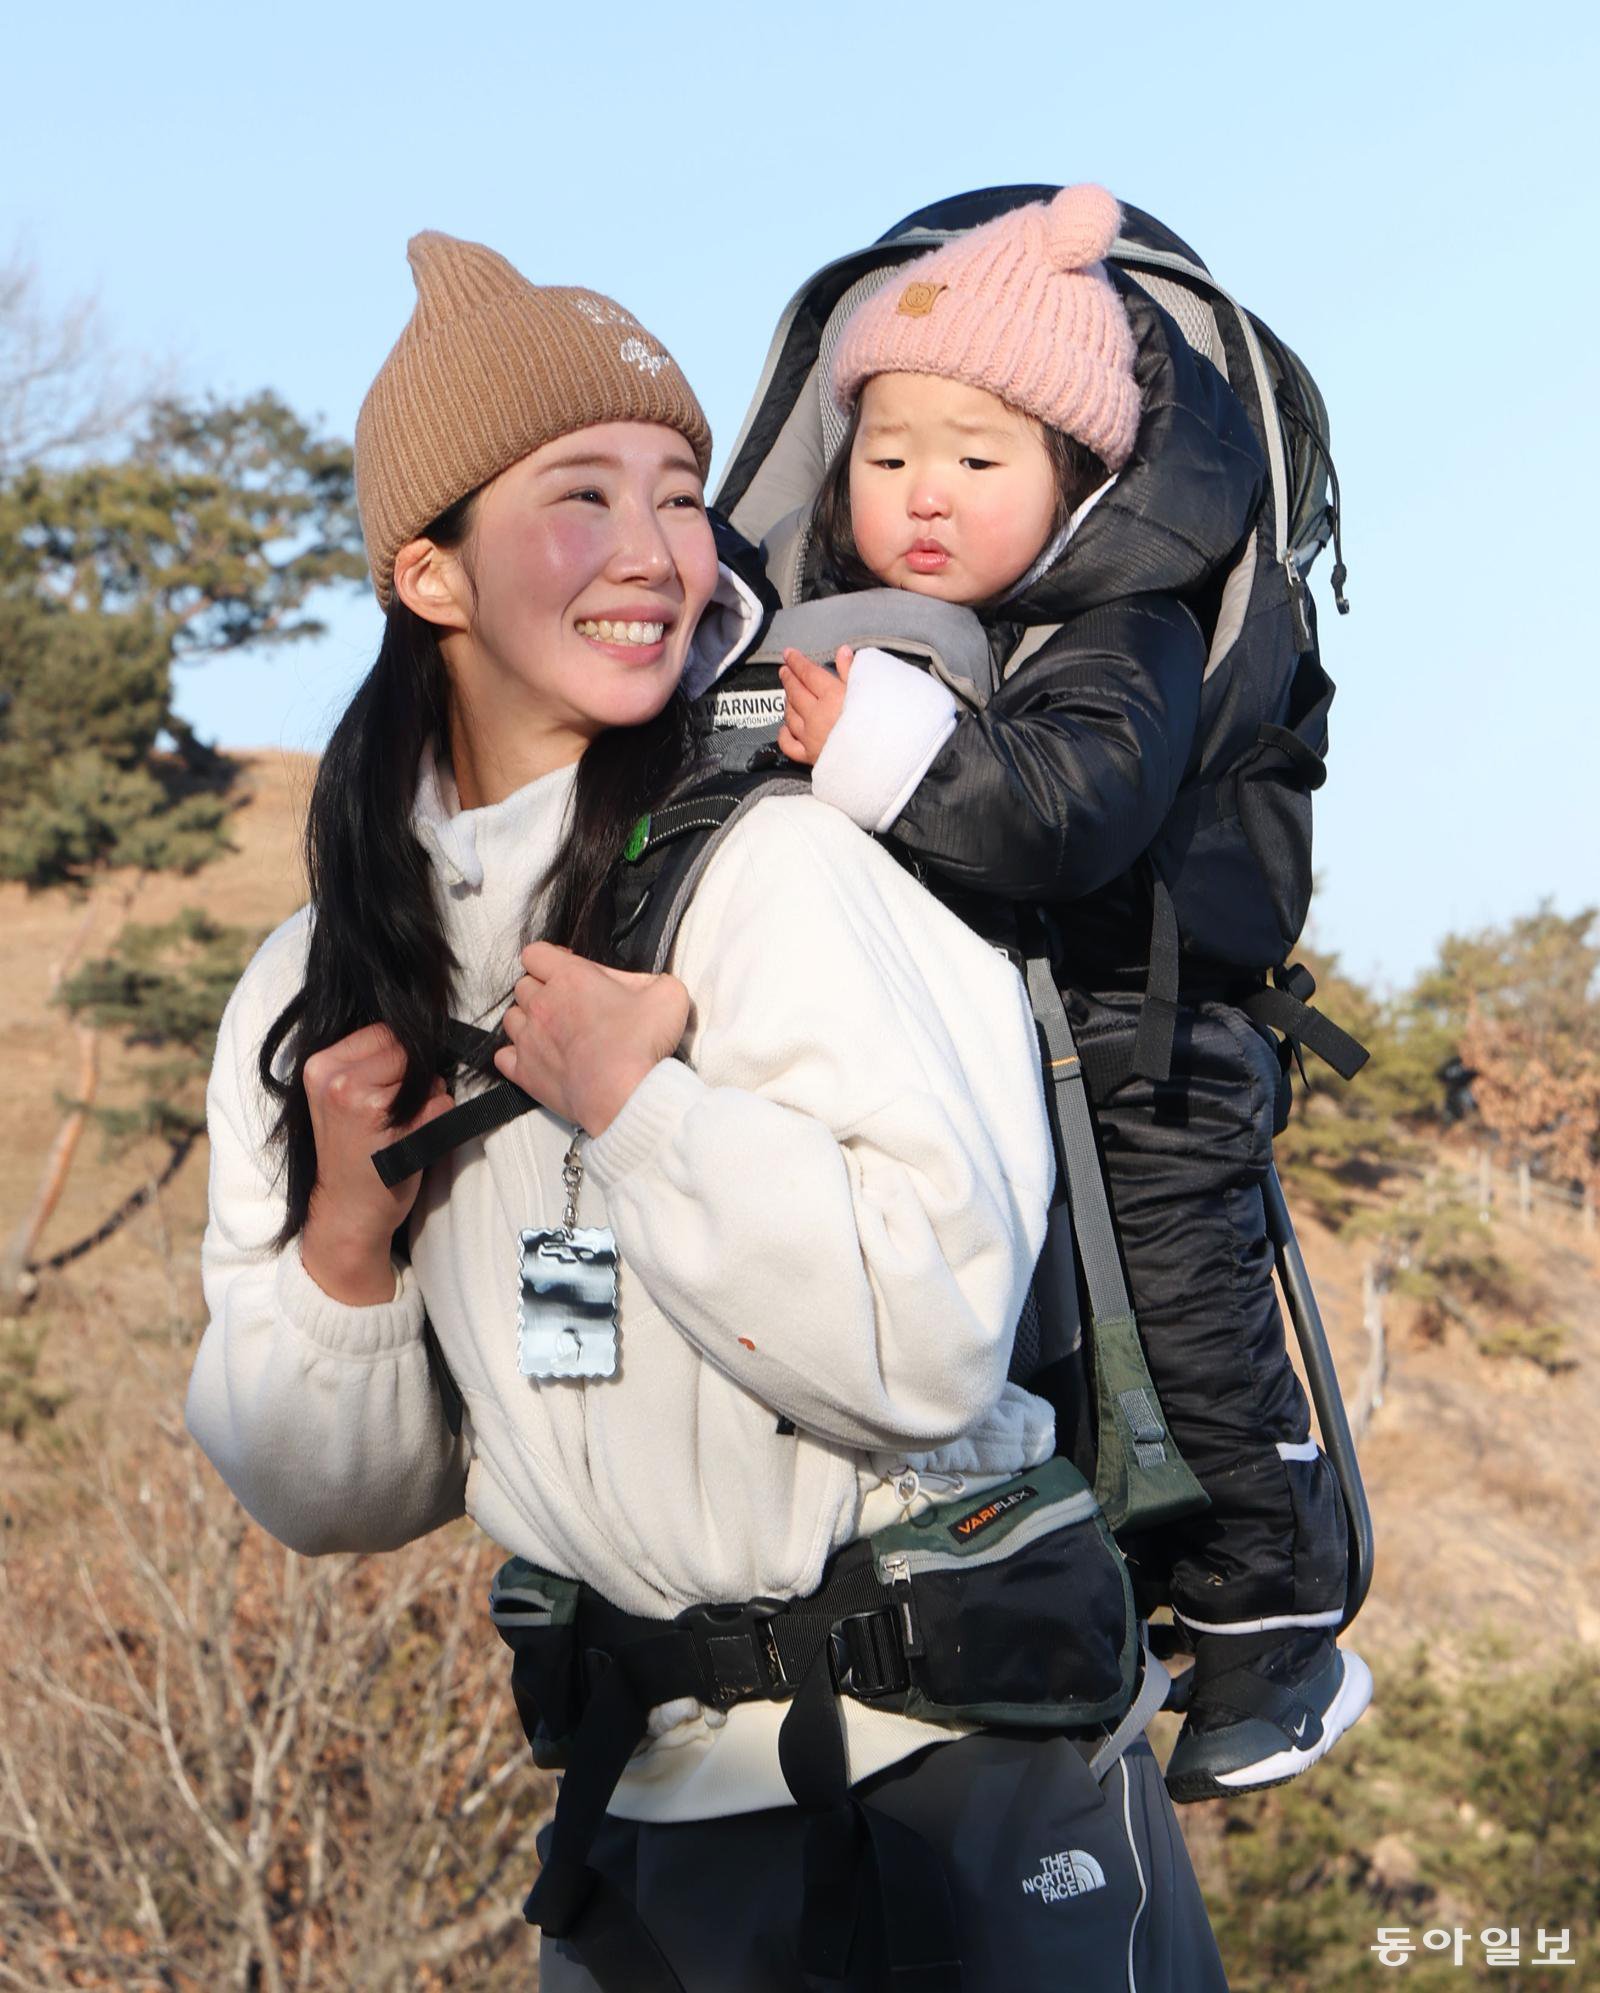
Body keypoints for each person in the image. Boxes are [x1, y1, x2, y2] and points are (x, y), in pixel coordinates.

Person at [185, 231, 1229, 1990]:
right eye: (577, 497)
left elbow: (923, 1346)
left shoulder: (792, 866)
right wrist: (349, 1238)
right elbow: (331, 1497)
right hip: (643, 1830)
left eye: (679, 495)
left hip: (962, 1791)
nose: (657, 554)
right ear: (427, 574)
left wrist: (644, 1111)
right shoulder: (326, 982)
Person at [773, 184, 1371, 1802]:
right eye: (887, 458)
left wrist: (880, 752)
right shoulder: (897, 635)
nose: (922, 497)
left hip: (1150, 1039)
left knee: (1181, 1312)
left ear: (1079, 476)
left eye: (978, 462)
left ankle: (1282, 1604)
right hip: (1016, 1041)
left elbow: (1071, 810)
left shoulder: (1125, 625)